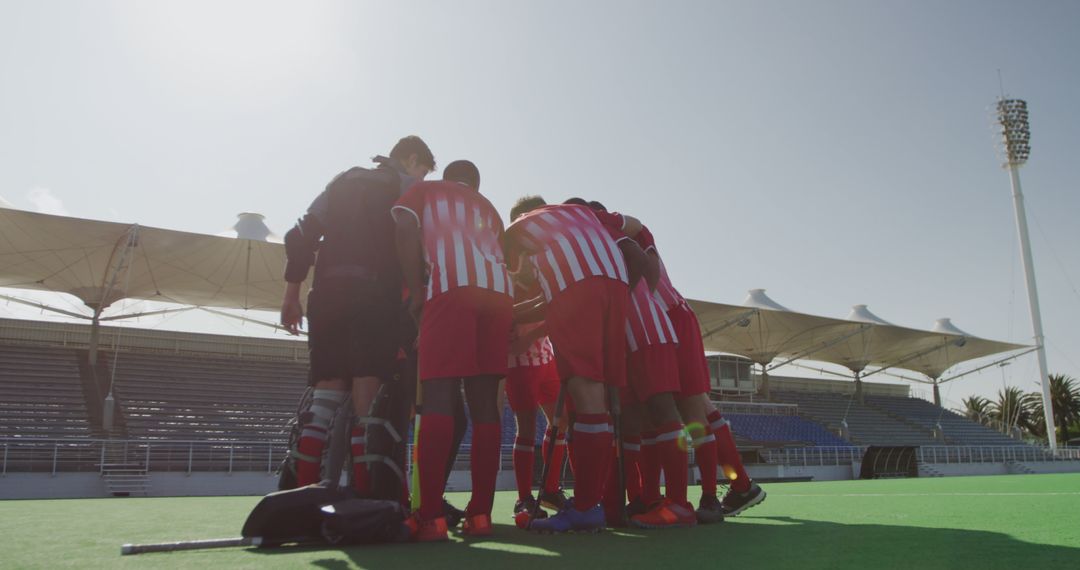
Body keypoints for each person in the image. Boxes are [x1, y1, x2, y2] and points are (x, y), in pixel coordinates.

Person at [281, 135, 434, 494]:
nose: (423, 180)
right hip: (376, 297)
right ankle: (367, 498)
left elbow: (300, 233)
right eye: (423, 171)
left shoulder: (342, 179)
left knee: (324, 399)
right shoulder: (407, 188)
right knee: (367, 402)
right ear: (411, 160)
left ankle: (300, 500)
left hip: (328, 295)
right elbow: (416, 243)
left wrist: (292, 293)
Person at [503, 197, 649, 533]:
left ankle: (585, 507)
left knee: (587, 399)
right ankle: (594, 502)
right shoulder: (582, 214)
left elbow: (535, 280)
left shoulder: (517, 230)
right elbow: (636, 225)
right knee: (601, 400)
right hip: (615, 283)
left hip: (578, 290)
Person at [393, 160, 514, 541]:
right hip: (498, 295)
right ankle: (481, 515)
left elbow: (404, 227)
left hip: (451, 289)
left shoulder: (426, 190)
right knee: (485, 409)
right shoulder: (489, 208)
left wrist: (415, 292)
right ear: (475, 184)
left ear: (447, 177)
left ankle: (430, 517)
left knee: (439, 398)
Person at [632, 224, 765, 519]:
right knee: (701, 408)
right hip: (672, 315)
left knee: (682, 409)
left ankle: (708, 494)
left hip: (665, 317)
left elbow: (640, 238)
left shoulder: (621, 232)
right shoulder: (616, 236)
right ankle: (737, 485)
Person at [505, 201, 570, 520]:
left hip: (546, 357)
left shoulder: (550, 256)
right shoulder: (507, 258)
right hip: (518, 362)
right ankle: (523, 498)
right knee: (526, 427)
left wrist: (534, 334)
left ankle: (550, 489)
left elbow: (556, 305)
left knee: (562, 421)